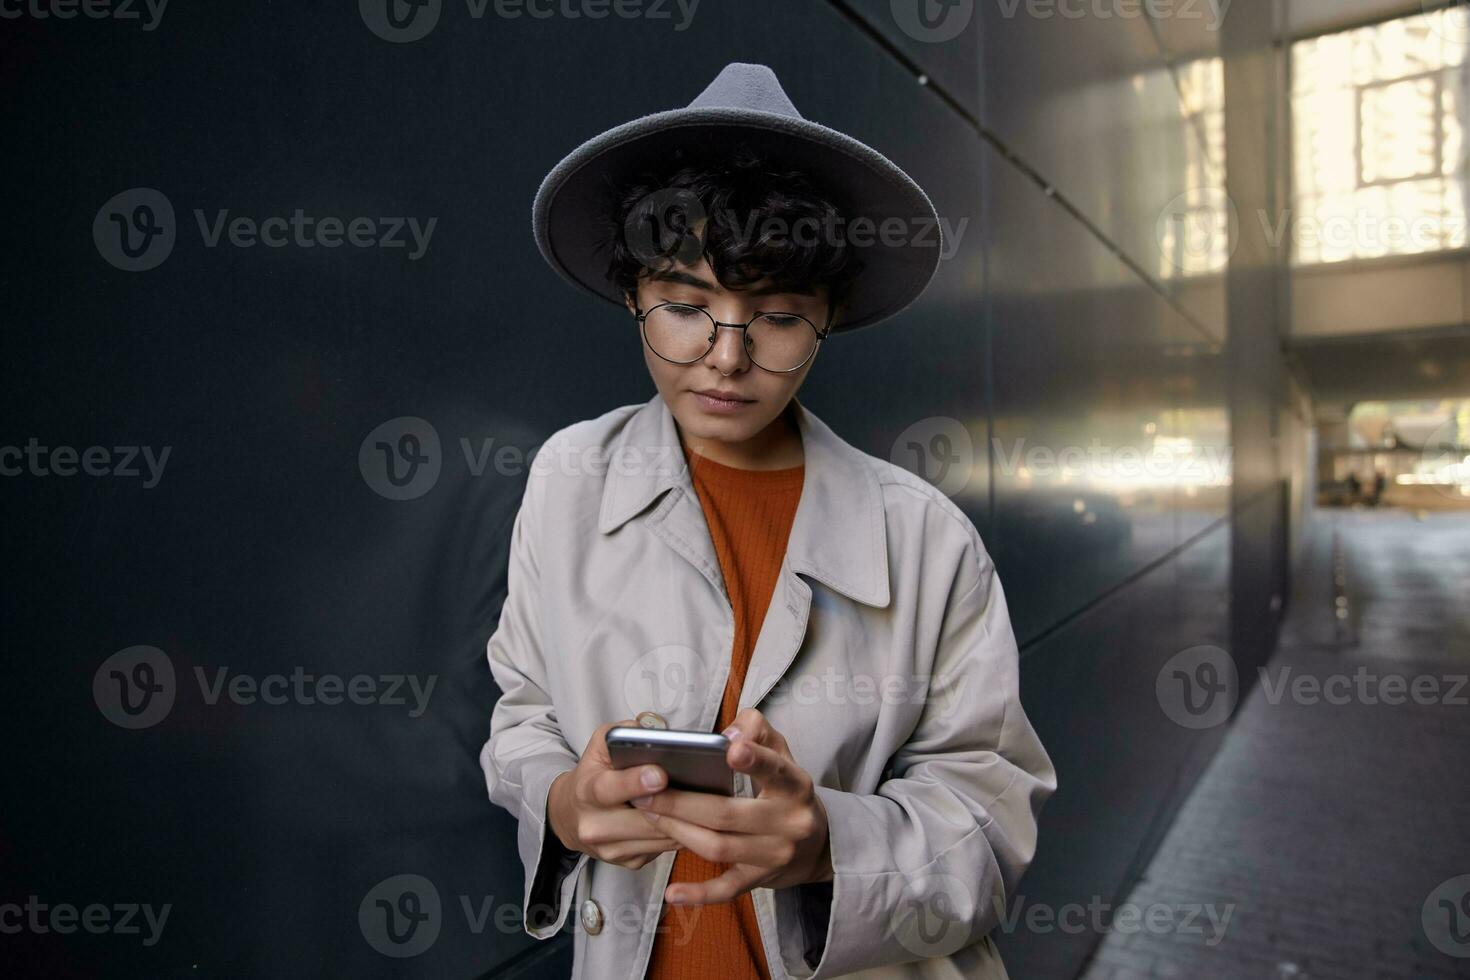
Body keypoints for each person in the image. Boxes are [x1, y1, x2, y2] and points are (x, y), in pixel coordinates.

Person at [480, 62, 1056, 980]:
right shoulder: (570, 479)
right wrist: (557, 800)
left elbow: (989, 827)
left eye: (778, 317)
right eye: (684, 306)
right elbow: (524, 708)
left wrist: (829, 841)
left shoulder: (927, 539)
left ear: (828, 317)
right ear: (633, 294)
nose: (726, 358)